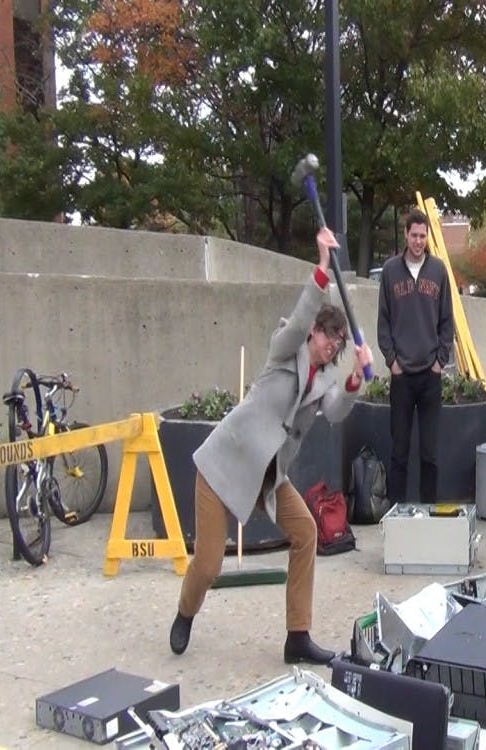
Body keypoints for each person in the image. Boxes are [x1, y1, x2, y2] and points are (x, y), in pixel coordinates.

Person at [169, 227, 374, 665]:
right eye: (328, 338)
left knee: (306, 533)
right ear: (314, 333)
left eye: (339, 344)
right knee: (207, 566)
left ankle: (297, 637)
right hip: (225, 466)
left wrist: (356, 375)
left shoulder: (322, 383)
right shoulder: (285, 347)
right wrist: (321, 268)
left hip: (268, 477)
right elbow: (300, 316)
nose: (332, 346)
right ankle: (186, 611)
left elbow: (338, 410)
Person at [377, 208, 454, 503]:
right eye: (414, 235)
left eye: (423, 236)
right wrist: (391, 361)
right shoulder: (389, 272)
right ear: (406, 235)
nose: (419, 241)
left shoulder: (438, 271)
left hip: (430, 376)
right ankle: (396, 516)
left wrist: (440, 361)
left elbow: (447, 321)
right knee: (399, 452)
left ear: (428, 237)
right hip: (402, 376)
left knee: (430, 453)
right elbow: (383, 321)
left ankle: (429, 515)